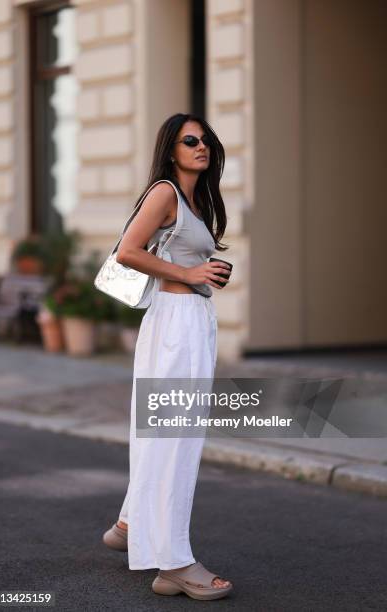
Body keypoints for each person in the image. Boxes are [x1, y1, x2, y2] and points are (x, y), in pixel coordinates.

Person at [102, 113, 233, 601]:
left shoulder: (195, 200)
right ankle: (174, 563)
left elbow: (175, 259)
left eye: (205, 140)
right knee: (173, 439)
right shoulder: (165, 192)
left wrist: (199, 273)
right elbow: (127, 253)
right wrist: (193, 276)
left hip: (188, 323)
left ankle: (131, 522)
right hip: (176, 324)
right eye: (189, 140)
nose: (200, 146)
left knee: (163, 431)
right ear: (172, 148)